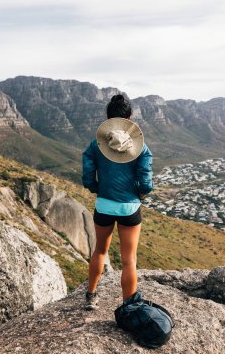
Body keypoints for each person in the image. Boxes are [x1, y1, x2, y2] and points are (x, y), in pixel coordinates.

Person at [82, 94, 153, 310]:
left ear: (108, 117)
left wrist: (97, 188)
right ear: (129, 117)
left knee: (100, 251)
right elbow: (146, 180)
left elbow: (87, 173)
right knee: (129, 259)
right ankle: (128, 307)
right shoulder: (141, 147)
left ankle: (91, 296)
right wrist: (140, 194)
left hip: (103, 204)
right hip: (129, 207)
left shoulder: (96, 144)